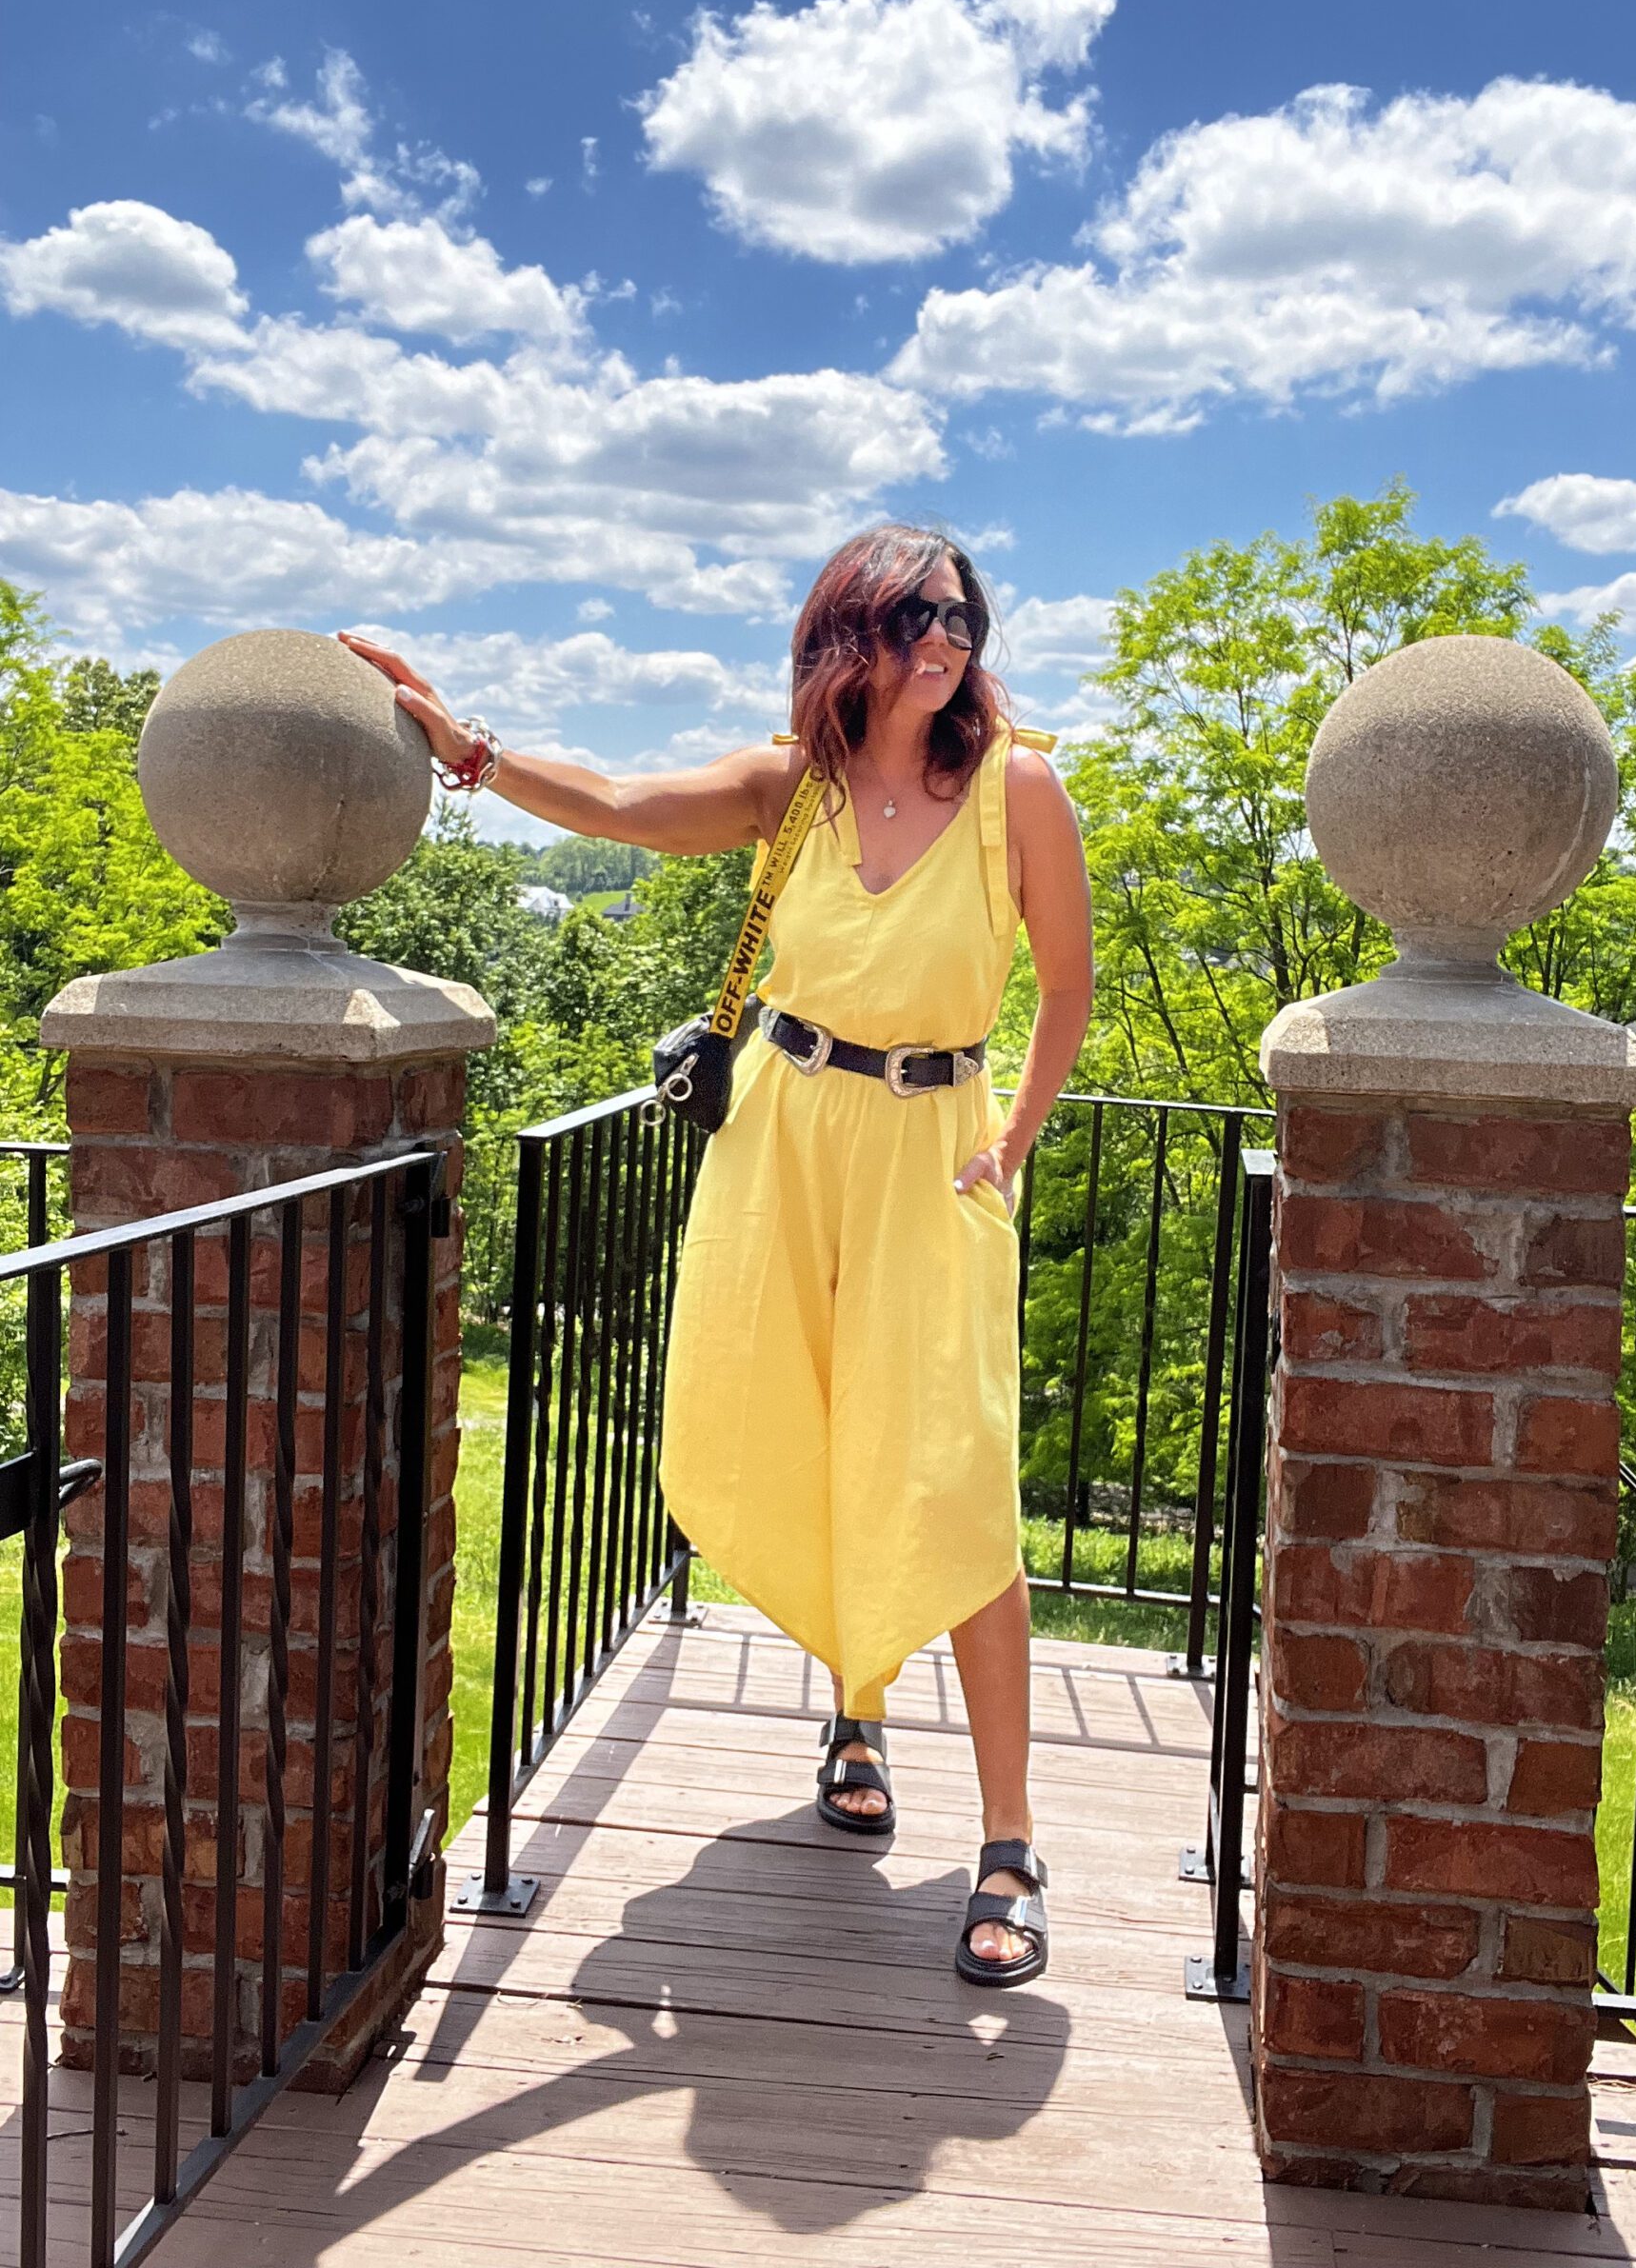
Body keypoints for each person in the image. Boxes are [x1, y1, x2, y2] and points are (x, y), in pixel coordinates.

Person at [343, 523, 1093, 1983]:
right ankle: (858, 1711)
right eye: (918, 616)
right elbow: (622, 804)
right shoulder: (792, 785)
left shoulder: (1020, 790)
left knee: (957, 1476)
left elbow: (1065, 984)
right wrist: (467, 749)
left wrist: (1014, 1144)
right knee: (806, 1430)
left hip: (932, 1157)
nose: (947, 640)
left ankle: (1011, 1841)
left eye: (962, 618)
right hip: (784, 1147)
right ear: (851, 634)